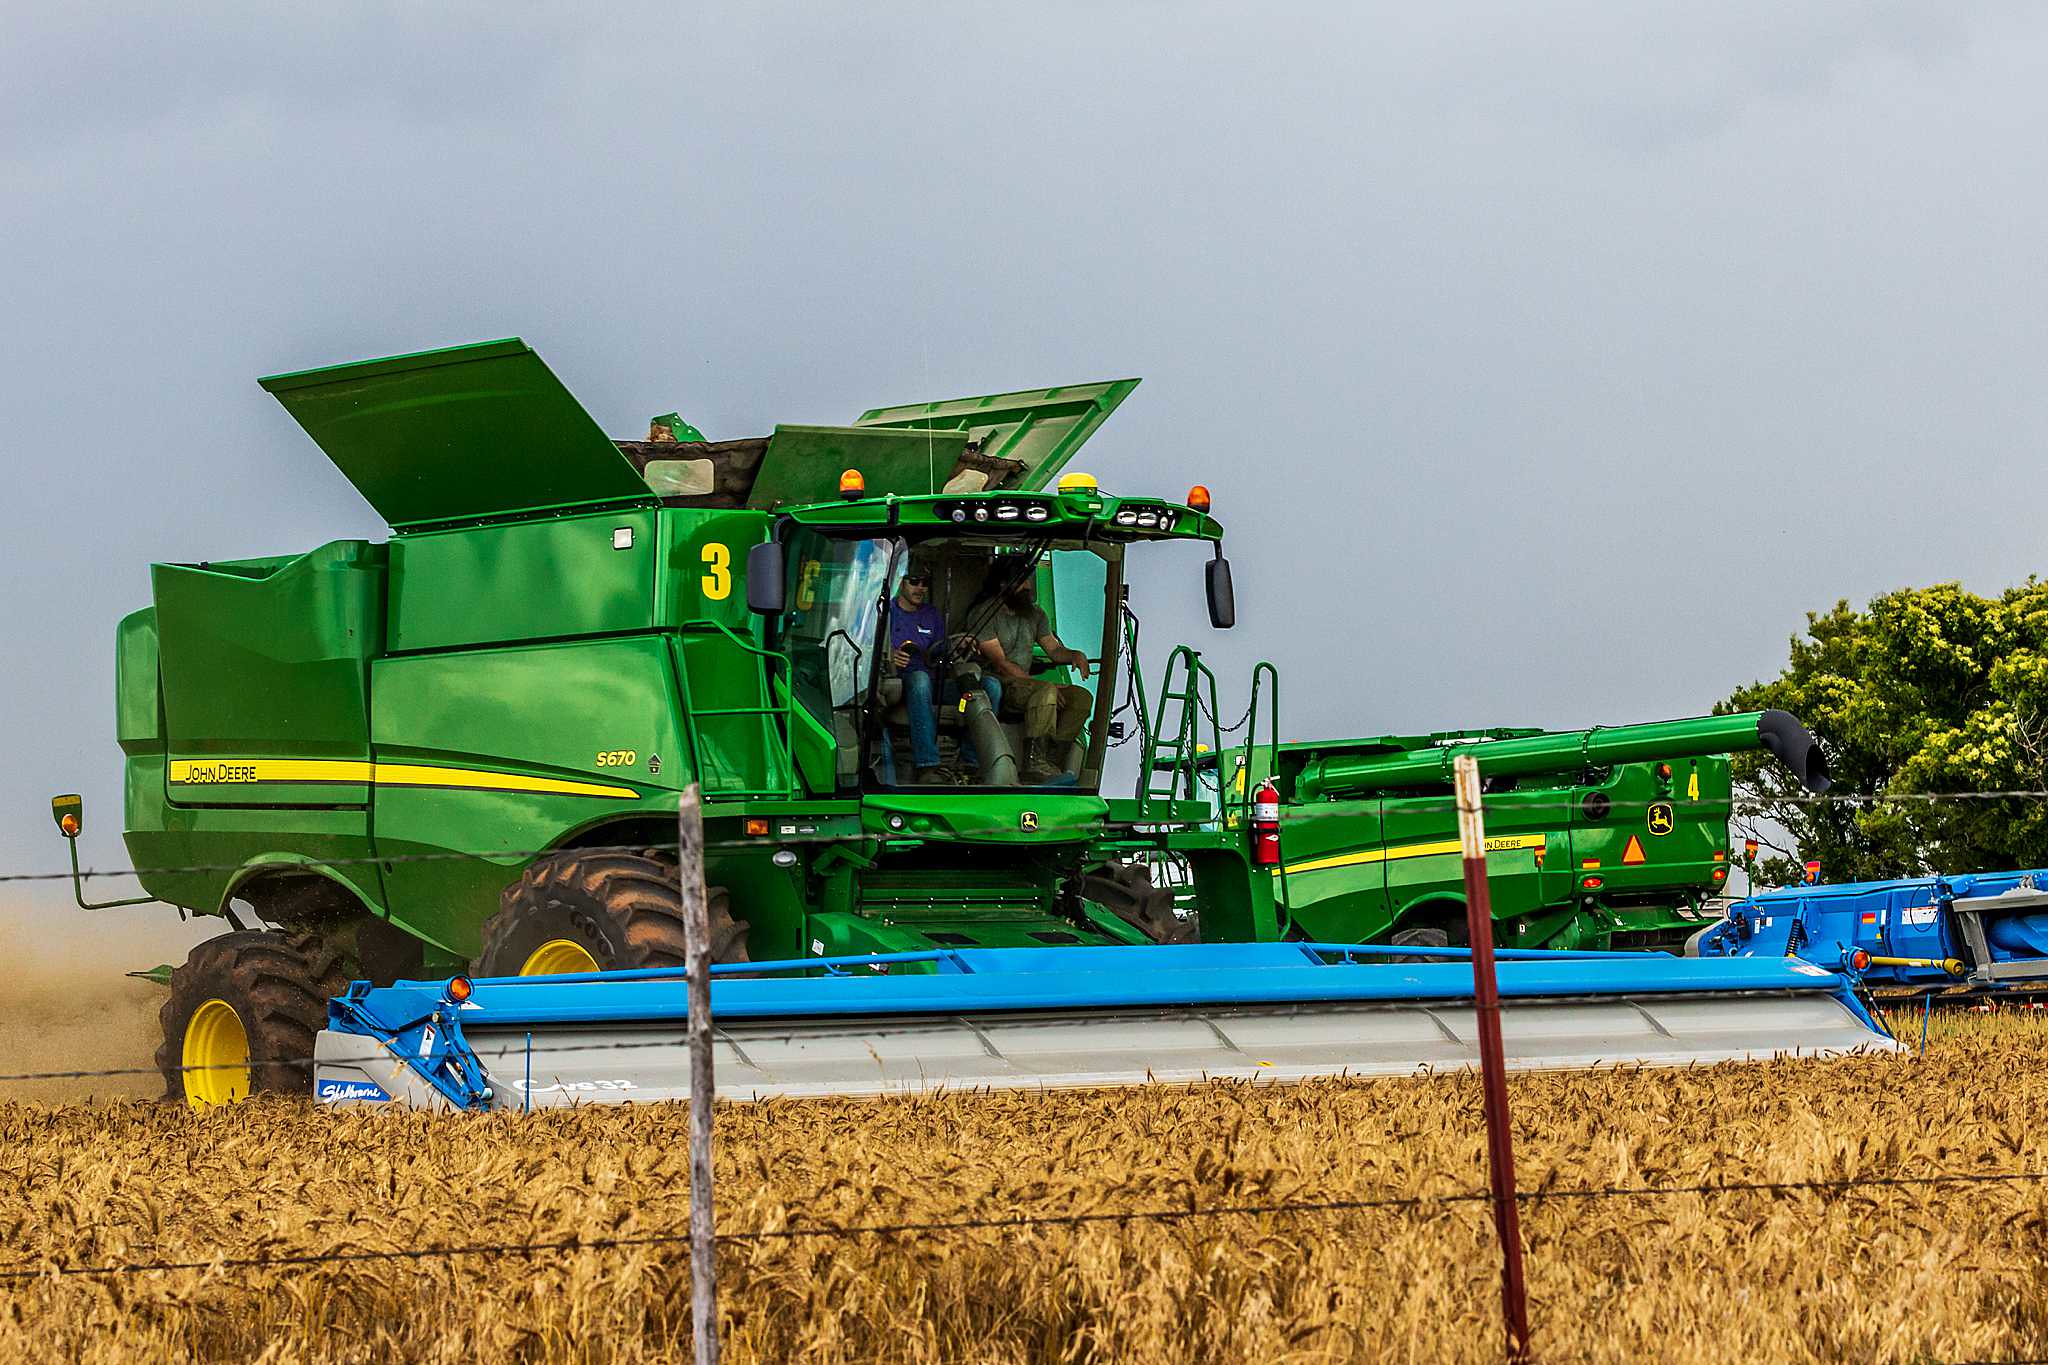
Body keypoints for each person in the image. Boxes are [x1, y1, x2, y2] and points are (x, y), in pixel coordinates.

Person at [976, 573, 1092, 785]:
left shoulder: (1035, 614)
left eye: (1028, 580)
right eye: (1021, 581)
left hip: (1027, 685)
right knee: (1046, 691)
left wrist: (1075, 655)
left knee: (1081, 697)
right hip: (1000, 684)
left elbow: (1054, 650)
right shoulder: (985, 613)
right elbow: (1002, 664)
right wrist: (1041, 685)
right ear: (1004, 582)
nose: (1028, 586)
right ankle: (1034, 763)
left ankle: (1052, 760)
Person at [887, 567, 1000, 783]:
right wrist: (889, 656)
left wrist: (958, 644)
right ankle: (927, 765)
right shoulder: (888, 612)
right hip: (902, 683)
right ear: (900, 583)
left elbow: (940, 650)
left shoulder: (932, 615)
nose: (920, 587)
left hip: (936, 682)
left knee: (990, 686)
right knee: (920, 680)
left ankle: (970, 761)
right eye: (914, 582)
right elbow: (870, 647)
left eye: (924, 583)